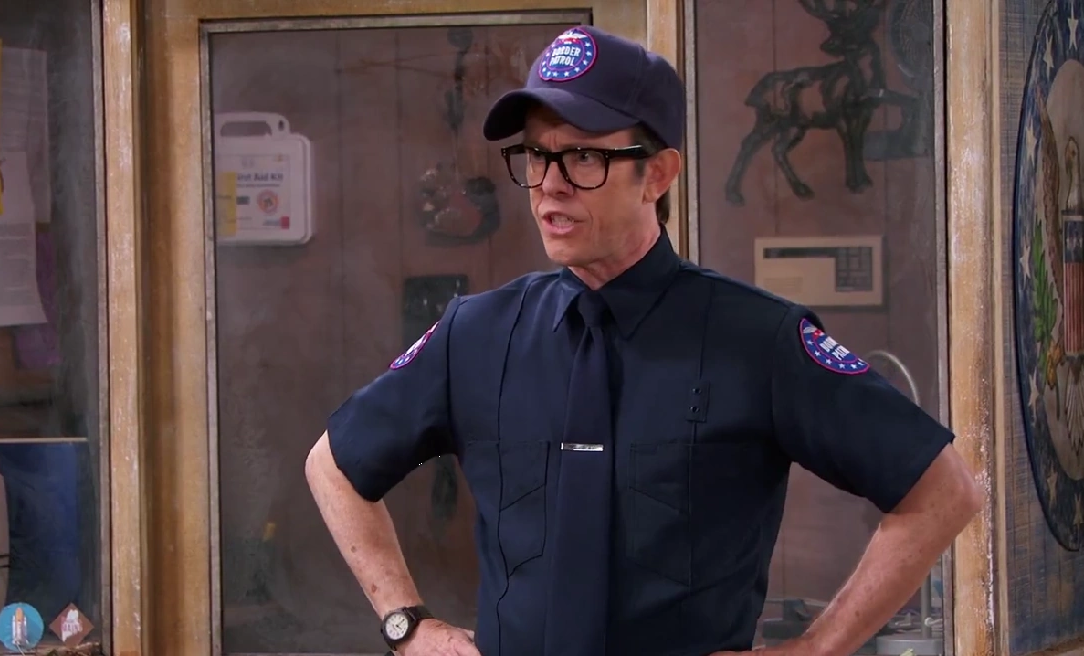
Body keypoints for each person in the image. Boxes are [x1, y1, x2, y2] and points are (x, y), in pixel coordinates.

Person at [305, 25, 983, 656]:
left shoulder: (757, 341)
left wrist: (814, 649)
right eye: (536, 156)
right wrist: (407, 625)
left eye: (582, 158)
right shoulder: (476, 335)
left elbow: (942, 492)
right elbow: (333, 467)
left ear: (656, 174)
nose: (550, 187)